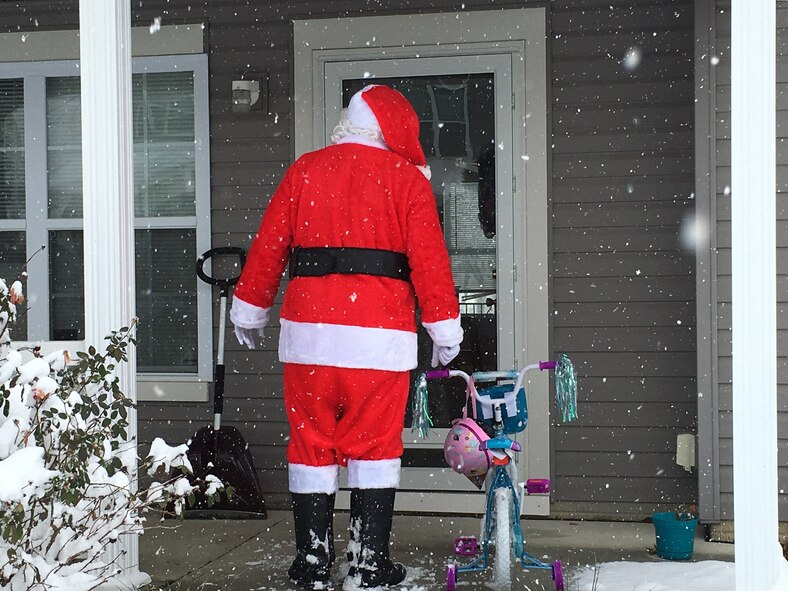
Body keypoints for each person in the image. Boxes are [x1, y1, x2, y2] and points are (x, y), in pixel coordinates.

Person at [230, 84, 463, 591]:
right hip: (377, 341)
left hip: (309, 338)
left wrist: (250, 309)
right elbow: (430, 261)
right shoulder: (407, 181)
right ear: (395, 131)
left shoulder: (304, 170)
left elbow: (270, 244)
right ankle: (368, 563)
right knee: (375, 447)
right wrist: (443, 326)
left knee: (311, 444)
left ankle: (312, 563)